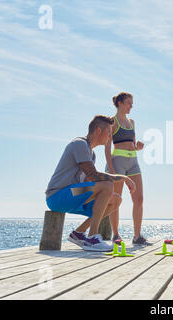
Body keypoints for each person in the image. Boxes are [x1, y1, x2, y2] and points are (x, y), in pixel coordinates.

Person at [45, 115, 136, 251]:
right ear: (98, 131)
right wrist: (123, 178)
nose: (110, 137)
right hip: (58, 196)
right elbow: (93, 176)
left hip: (75, 195)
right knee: (107, 186)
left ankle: (78, 234)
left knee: (115, 200)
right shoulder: (79, 144)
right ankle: (92, 238)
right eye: (109, 133)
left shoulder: (91, 154)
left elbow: (89, 182)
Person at [105, 92, 150, 245]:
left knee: (139, 199)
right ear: (120, 103)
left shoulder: (132, 122)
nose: (131, 106)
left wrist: (138, 147)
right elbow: (107, 146)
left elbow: (133, 144)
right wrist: (110, 168)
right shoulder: (112, 121)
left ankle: (137, 236)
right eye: (128, 103)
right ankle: (116, 235)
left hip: (133, 162)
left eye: (132, 103)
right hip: (118, 162)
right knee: (116, 198)